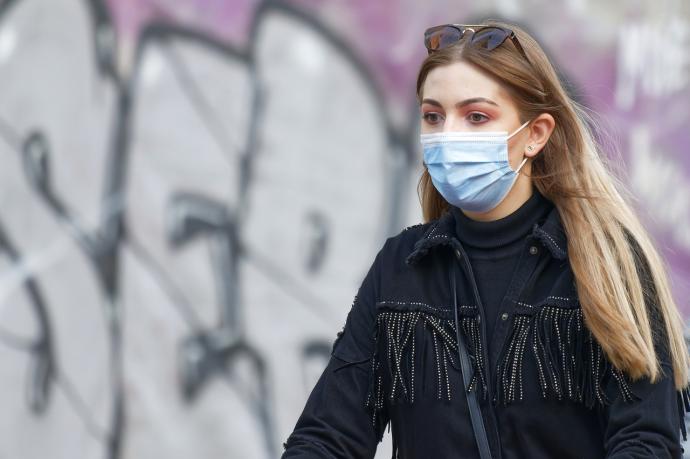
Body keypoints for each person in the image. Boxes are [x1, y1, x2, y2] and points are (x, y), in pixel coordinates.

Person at [281, 19, 690, 459]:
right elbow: (327, 437)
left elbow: (646, 442)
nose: (448, 135)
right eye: (434, 116)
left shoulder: (608, 265)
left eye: (477, 116)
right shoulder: (401, 267)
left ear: (536, 134)